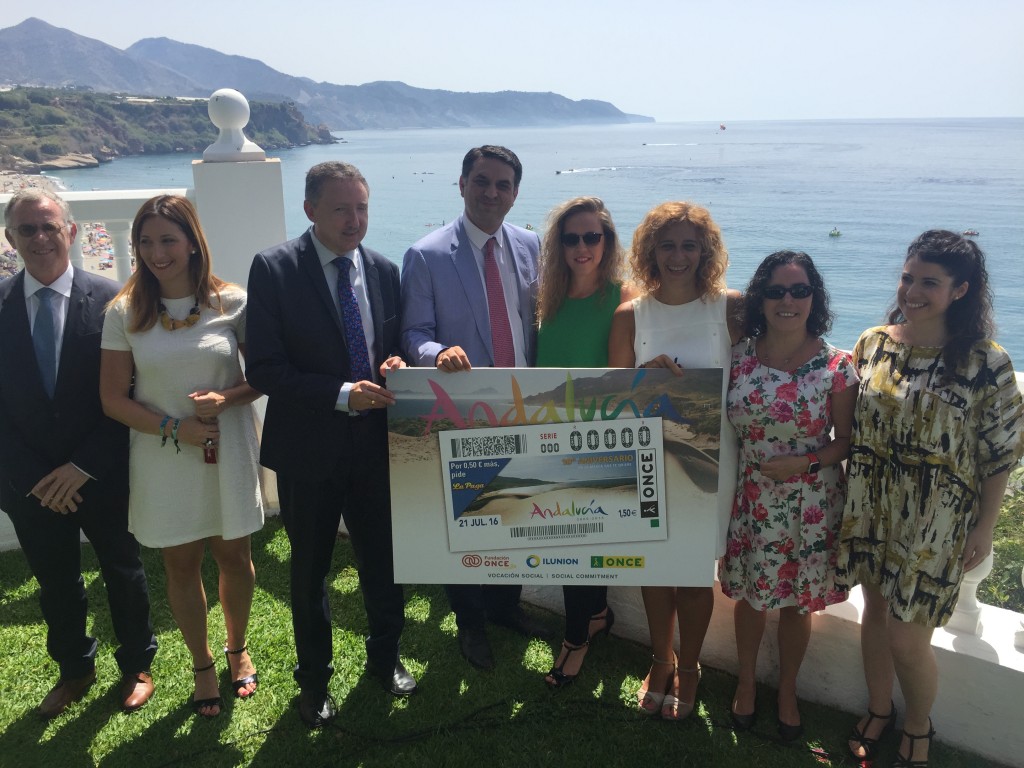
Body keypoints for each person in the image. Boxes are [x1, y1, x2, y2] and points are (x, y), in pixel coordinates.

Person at [838, 230, 1023, 767]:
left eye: (930, 283)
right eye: (907, 277)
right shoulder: (874, 342)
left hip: (937, 518)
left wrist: (985, 527)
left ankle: (918, 728)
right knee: (872, 610)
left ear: (961, 290)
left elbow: (1000, 454)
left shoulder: (985, 362)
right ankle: (879, 709)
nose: (912, 291)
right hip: (871, 504)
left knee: (907, 636)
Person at [246, 161, 414, 729]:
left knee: (383, 564)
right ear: (311, 208)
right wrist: (344, 393)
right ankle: (314, 683)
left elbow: (393, 351)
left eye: (362, 207)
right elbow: (266, 369)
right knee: (310, 571)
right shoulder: (274, 269)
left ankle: (385, 660)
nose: (354, 219)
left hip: (375, 450)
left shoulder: (385, 270)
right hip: (308, 452)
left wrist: (395, 365)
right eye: (341, 208)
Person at [100, 195, 264, 718]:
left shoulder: (231, 302)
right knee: (180, 561)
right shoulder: (124, 312)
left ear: (193, 242)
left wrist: (227, 398)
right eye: (145, 242)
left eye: (167, 240)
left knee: (235, 556)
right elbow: (113, 400)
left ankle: (238, 650)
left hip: (228, 448)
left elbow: (265, 373)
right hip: (163, 455)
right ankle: (202, 664)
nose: (156, 253)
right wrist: (177, 428)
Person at [0, 188, 157, 718]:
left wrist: (82, 467)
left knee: (123, 569)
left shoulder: (116, 300)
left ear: (70, 231)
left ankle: (137, 664)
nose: (40, 238)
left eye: (50, 227)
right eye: (27, 230)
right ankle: (74, 669)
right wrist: (36, 476)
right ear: (10, 238)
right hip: (30, 482)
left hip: (102, 471)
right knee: (55, 580)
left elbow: (133, 395)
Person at [401, 145, 547, 671]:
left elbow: (537, 319)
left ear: (515, 193)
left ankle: (506, 607)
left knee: (516, 511)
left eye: (503, 184)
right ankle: (470, 624)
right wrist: (437, 353)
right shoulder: (427, 254)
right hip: (464, 411)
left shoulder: (532, 244)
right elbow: (413, 332)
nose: (491, 193)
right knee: (467, 521)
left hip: (526, 408)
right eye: (482, 181)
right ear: (461, 184)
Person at [608, 201, 741, 720]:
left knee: (694, 572)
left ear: (705, 250)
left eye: (690, 245)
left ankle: (690, 668)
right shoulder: (630, 315)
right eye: (668, 245)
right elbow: (615, 400)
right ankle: (659, 661)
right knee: (656, 566)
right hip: (648, 459)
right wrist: (644, 376)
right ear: (650, 251)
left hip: (713, 462)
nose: (679, 256)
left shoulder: (729, 307)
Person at [718, 250, 857, 740]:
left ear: (813, 298)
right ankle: (747, 684)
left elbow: (845, 439)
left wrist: (806, 461)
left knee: (798, 604)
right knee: (753, 600)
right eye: (776, 290)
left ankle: (788, 690)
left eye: (799, 290)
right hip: (753, 498)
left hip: (811, 504)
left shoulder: (837, 366)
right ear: (761, 298)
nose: (788, 300)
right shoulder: (737, 356)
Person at [534, 196, 638, 686]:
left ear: (608, 242)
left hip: (602, 440)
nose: (581, 247)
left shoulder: (625, 297)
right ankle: (596, 613)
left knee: (578, 547)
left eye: (592, 236)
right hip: (547, 437)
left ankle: (575, 639)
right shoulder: (543, 297)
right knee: (575, 541)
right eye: (570, 238)